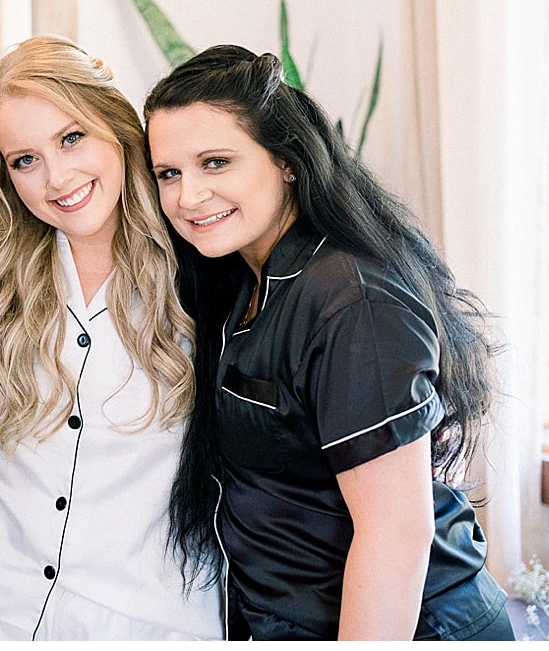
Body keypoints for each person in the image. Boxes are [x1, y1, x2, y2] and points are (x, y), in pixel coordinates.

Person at [143, 45, 513, 641]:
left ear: (287, 161)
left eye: (215, 163)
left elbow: (395, 534)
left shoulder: (351, 300)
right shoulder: (244, 280)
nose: (188, 196)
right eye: (169, 173)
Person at [0, 35, 223, 640]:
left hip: (149, 623)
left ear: (115, 126)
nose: (56, 177)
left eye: (72, 138)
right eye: (24, 160)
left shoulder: (205, 272)